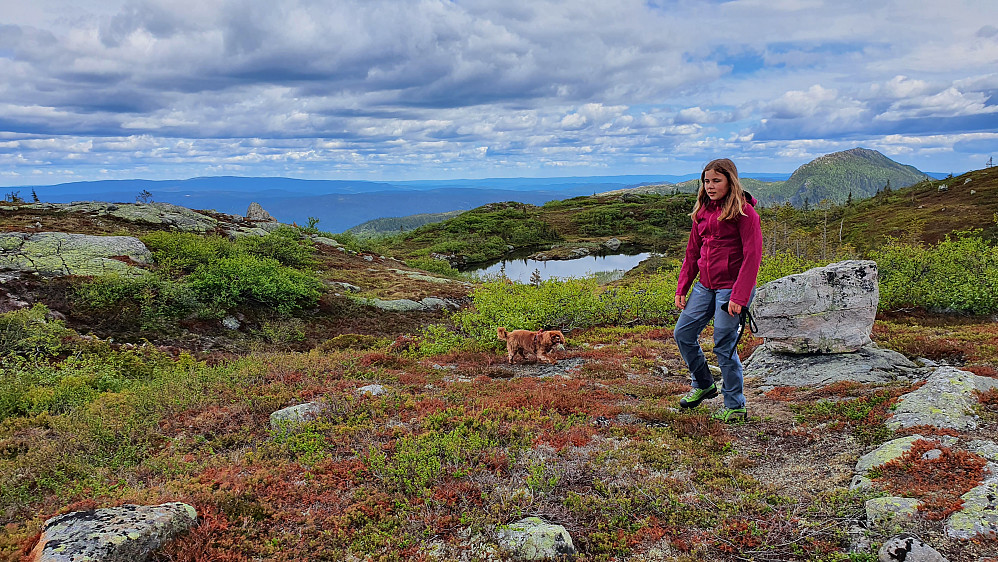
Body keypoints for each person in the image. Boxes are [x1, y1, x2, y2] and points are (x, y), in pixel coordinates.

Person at [673, 158, 763, 422]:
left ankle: (735, 405)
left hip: (731, 289)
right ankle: (703, 384)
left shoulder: (746, 213)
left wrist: (739, 295)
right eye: (706, 181)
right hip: (704, 286)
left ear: (730, 181)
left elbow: (752, 257)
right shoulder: (702, 211)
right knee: (683, 334)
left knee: (724, 346)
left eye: (716, 181)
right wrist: (683, 286)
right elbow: (692, 252)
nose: (710, 186)